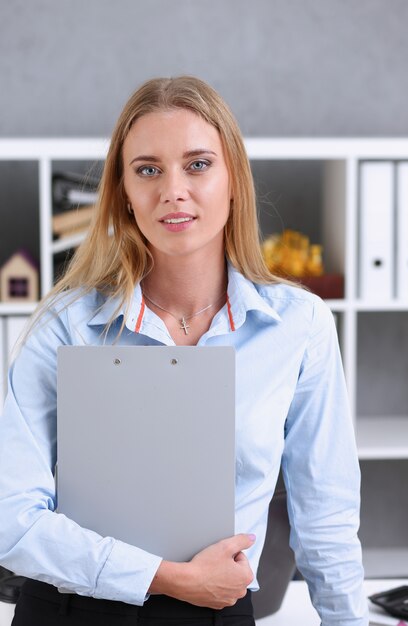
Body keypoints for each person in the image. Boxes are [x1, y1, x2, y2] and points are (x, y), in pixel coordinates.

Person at [0, 76, 368, 625]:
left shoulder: (299, 325)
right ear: (123, 191)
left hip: (221, 613)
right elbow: (11, 520)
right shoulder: (65, 325)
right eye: (148, 169)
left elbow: (327, 515)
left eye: (198, 164)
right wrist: (168, 578)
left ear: (233, 181)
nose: (173, 190)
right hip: (71, 610)